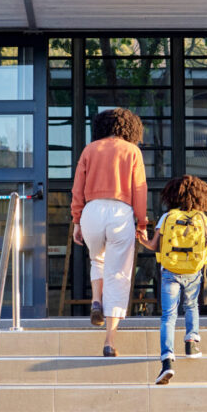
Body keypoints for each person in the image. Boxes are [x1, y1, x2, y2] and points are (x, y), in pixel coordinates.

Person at [70, 107, 148, 357]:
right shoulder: (132, 151)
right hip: (120, 212)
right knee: (119, 274)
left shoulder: (90, 149)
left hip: (91, 210)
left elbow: (77, 188)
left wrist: (76, 221)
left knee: (97, 259)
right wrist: (142, 222)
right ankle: (109, 340)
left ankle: (96, 300)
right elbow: (140, 189)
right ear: (130, 129)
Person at [138, 174, 207, 384]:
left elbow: (153, 245)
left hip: (170, 271)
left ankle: (167, 360)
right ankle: (192, 342)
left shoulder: (167, 217)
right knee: (192, 305)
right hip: (194, 271)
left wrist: (142, 239)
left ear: (172, 196)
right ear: (200, 197)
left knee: (168, 316)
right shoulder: (203, 219)